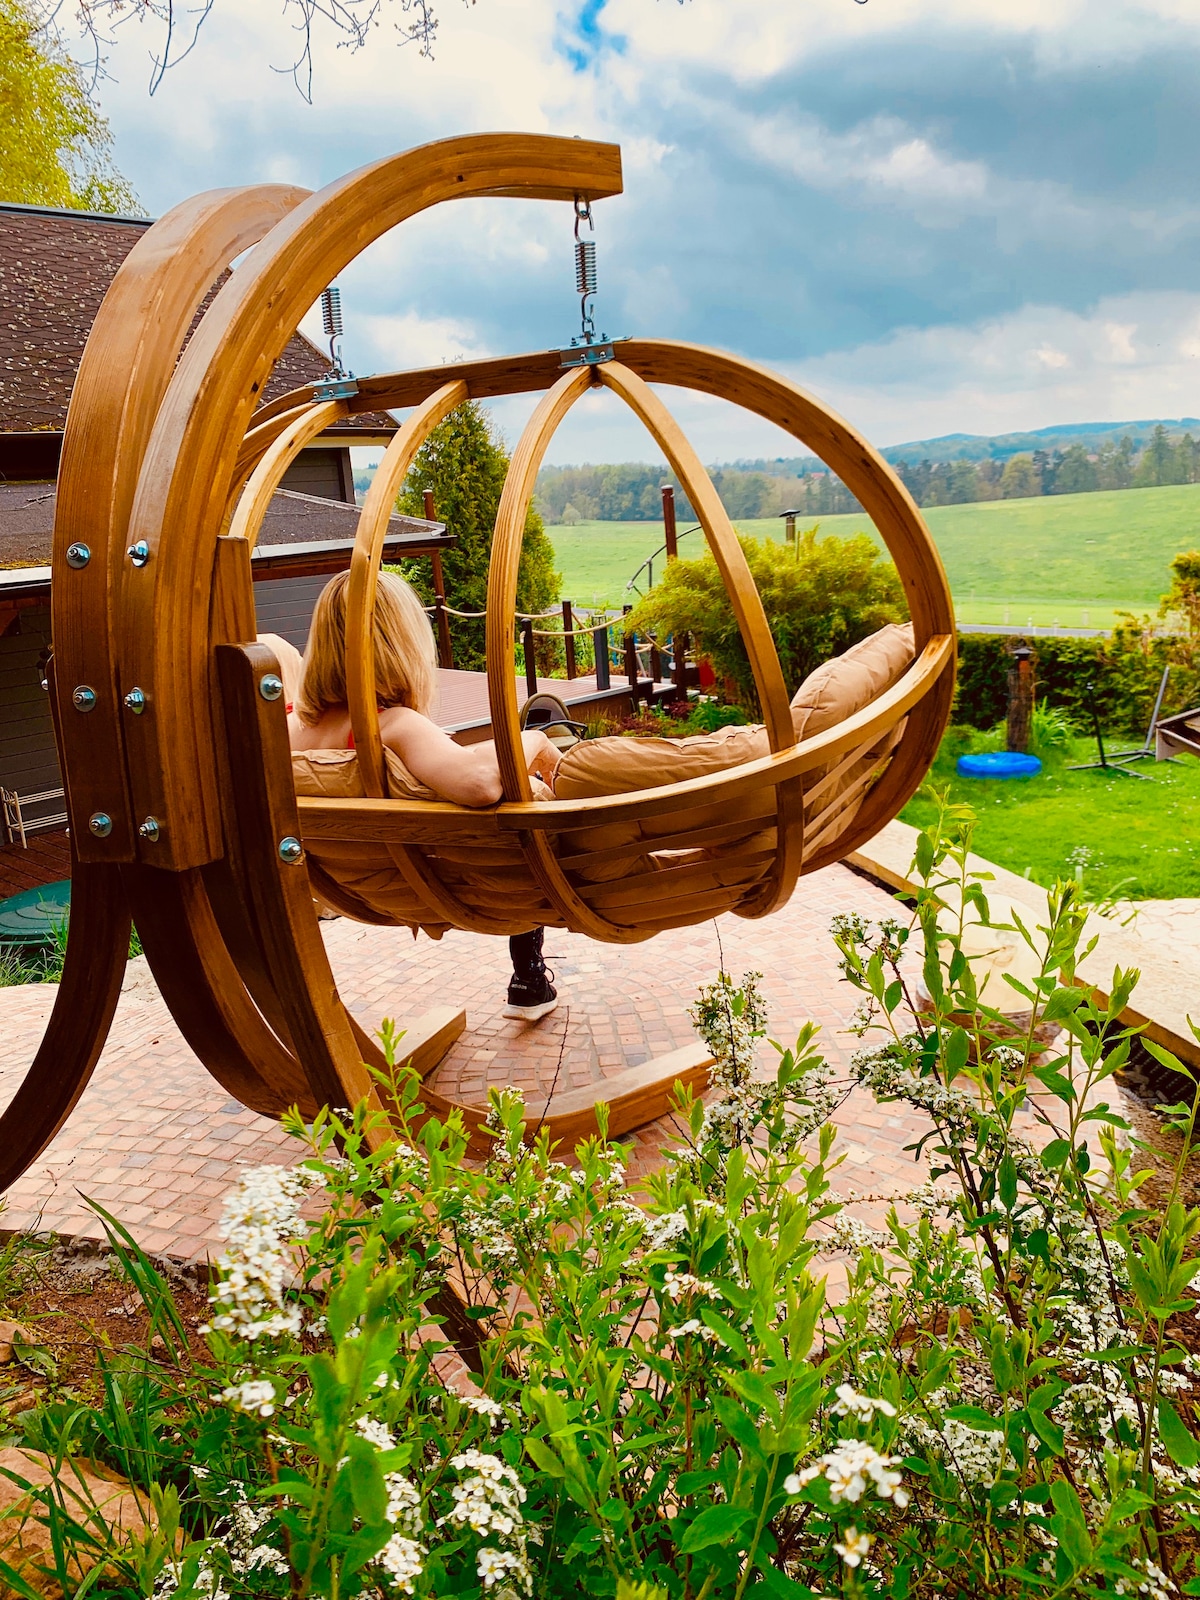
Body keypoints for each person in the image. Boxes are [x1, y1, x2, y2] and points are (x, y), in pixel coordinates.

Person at [286, 570, 561, 1021]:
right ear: (401, 646)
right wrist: (534, 739)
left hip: (351, 887)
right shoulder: (389, 727)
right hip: (445, 886)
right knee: (523, 811)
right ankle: (528, 973)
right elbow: (479, 784)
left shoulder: (286, 734)